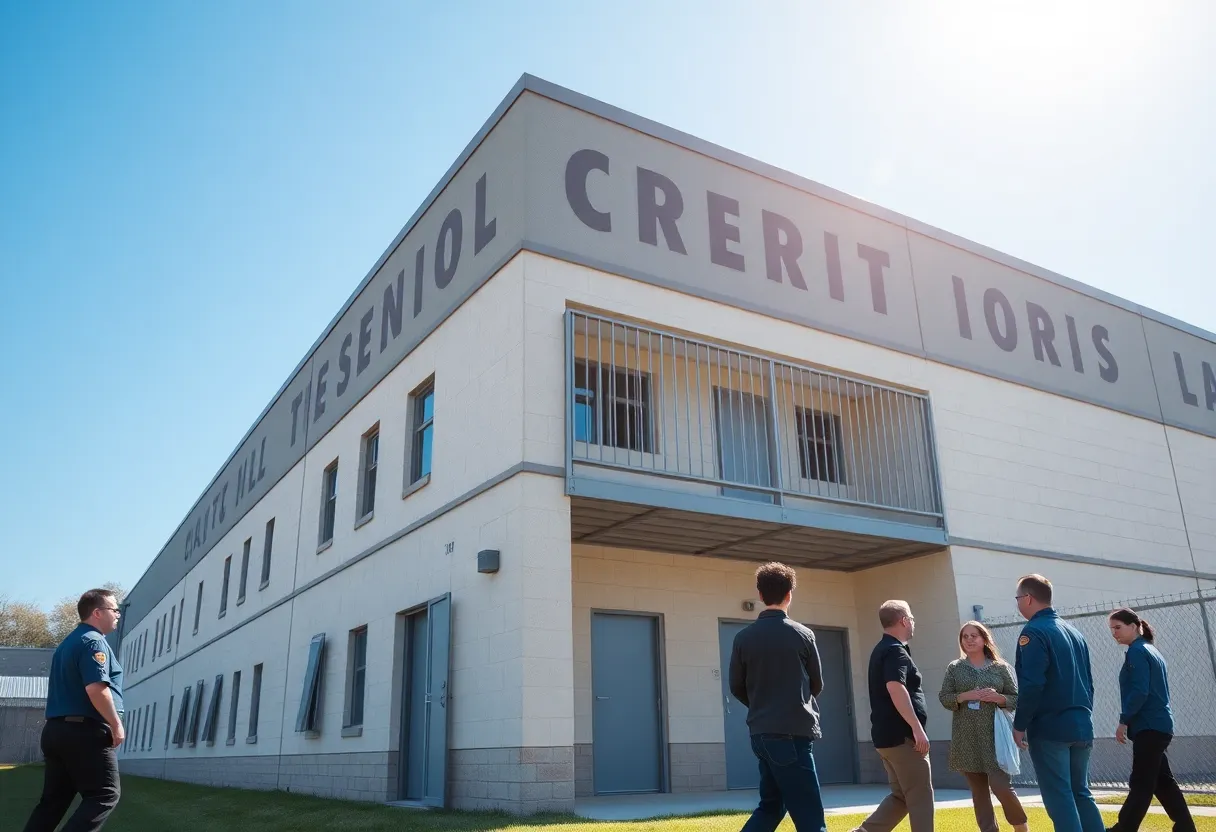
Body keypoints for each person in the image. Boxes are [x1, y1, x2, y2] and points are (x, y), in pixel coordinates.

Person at [728, 562, 827, 832]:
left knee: (772, 806)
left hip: (760, 733)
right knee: (810, 818)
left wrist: (761, 704)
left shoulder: (742, 638)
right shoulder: (803, 635)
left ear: (760, 595)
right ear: (790, 594)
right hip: (792, 736)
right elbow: (816, 684)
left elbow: (736, 686)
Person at [23, 588, 126, 832]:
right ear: (98, 613)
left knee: (53, 803)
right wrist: (116, 724)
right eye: (115, 610)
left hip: (57, 731)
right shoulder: (94, 642)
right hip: (85, 731)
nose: (118, 615)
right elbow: (96, 689)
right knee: (104, 794)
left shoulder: (67, 643)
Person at [1011, 574, 1103, 832]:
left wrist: (1020, 725)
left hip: (1051, 728)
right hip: (1081, 724)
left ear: (1028, 598)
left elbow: (1032, 684)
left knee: (1059, 796)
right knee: (1081, 793)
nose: (1017, 604)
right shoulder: (1074, 632)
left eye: (1018, 598)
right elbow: (1089, 682)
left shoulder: (1033, 632)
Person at [1106, 608, 1195, 832]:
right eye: (1112, 629)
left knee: (1141, 782)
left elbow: (1139, 692)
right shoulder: (1150, 650)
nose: (1114, 633)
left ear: (1134, 626)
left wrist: (1123, 720)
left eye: (1118, 627)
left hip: (1150, 726)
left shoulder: (1137, 652)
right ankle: (1185, 826)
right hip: (1160, 725)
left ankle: (1124, 828)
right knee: (1162, 781)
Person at [850, 600, 933, 832]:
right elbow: (895, 687)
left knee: (901, 797)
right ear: (904, 620)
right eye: (912, 619)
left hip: (886, 738)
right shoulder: (895, 651)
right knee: (920, 798)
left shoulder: (881, 649)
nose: (913, 623)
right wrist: (917, 728)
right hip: (903, 738)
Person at [938, 621, 1028, 832]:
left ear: (984, 639)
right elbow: (944, 697)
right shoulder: (955, 668)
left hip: (995, 737)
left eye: (974, 636)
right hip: (967, 739)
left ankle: (1021, 827)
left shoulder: (1001, 668)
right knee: (979, 793)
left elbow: (1016, 699)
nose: (969, 640)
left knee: (1001, 787)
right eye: (965, 637)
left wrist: (998, 698)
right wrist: (964, 696)